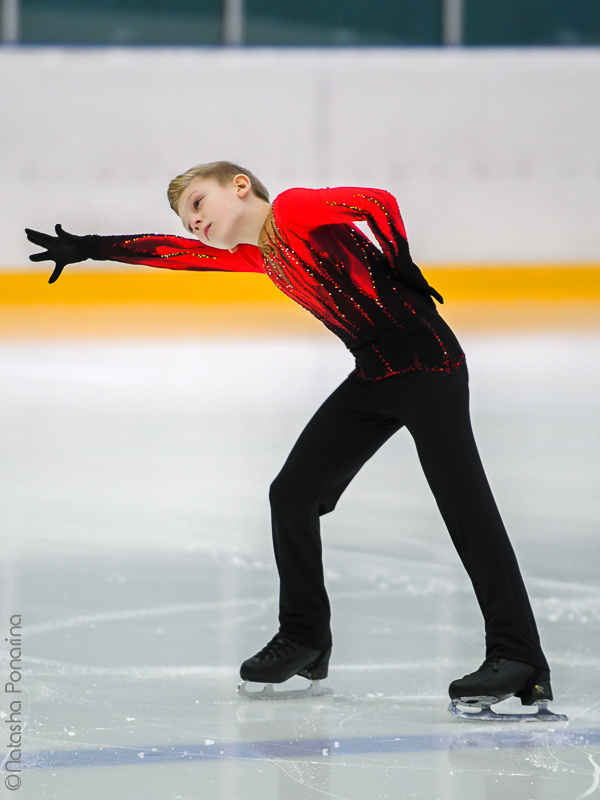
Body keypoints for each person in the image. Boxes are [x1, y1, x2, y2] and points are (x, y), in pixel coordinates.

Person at [25, 161, 559, 717]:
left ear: (239, 186)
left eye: (199, 205)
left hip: (425, 361)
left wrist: (401, 262)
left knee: (465, 507)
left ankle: (519, 656)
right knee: (294, 493)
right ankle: (305, 638)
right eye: (188, 218)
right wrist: (92, 247)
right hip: (375, 372)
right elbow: (174, 253)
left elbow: (376, 200)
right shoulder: (258, 253)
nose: (194, 224)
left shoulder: (294, 210)